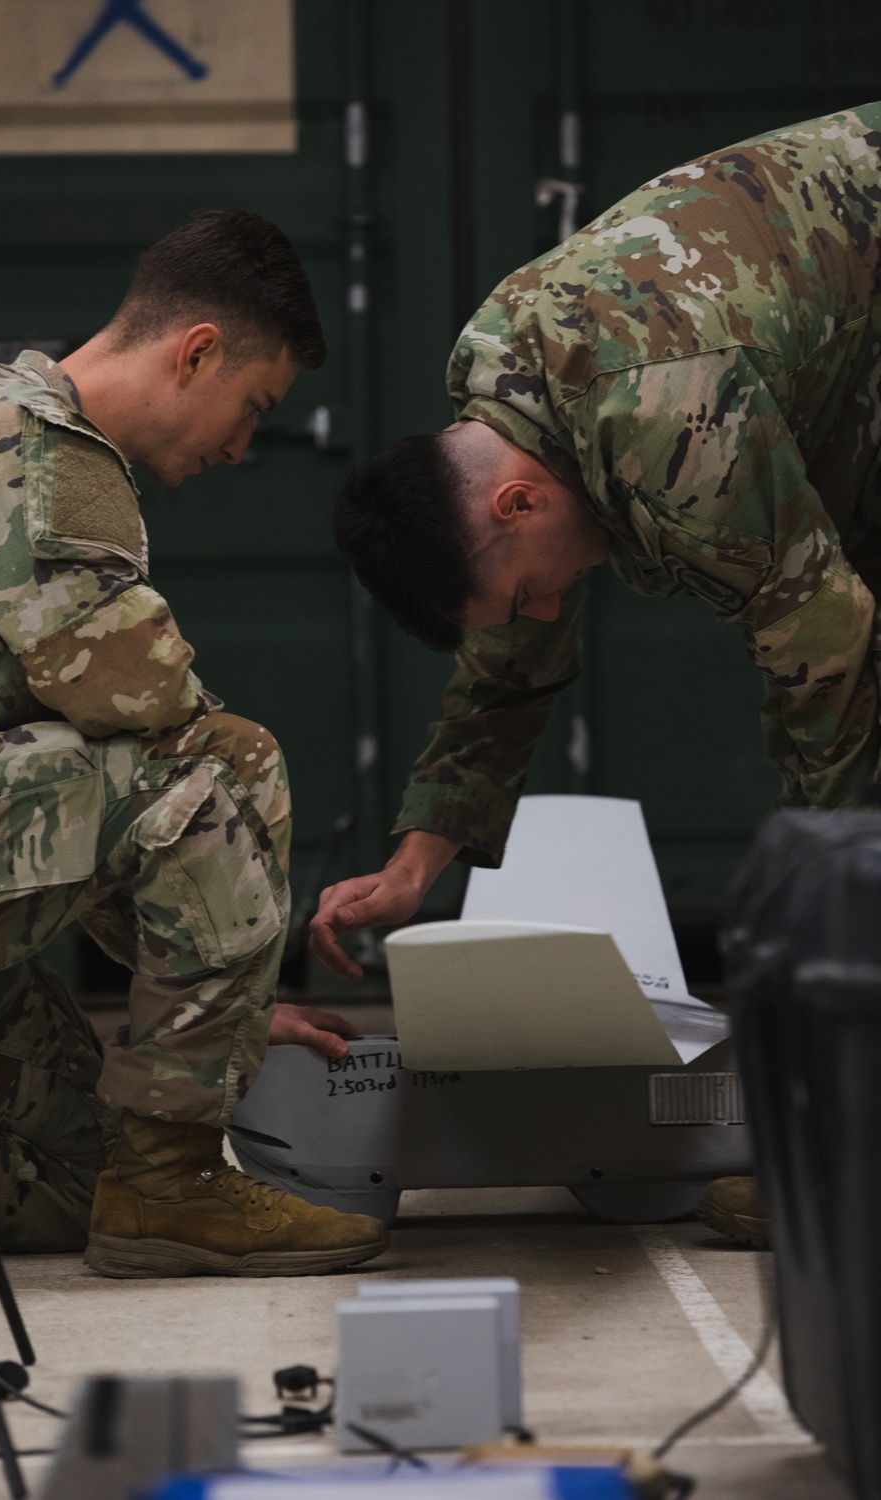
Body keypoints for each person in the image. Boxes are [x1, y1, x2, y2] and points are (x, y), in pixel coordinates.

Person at [311, 102, 881, 1250]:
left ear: (514, 504)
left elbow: (828, 662)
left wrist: (814, 918)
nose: (547, 611)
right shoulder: (496, 385)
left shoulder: (672, 435)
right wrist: (419, 856)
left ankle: (837, 1147)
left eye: (527, 588)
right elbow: (506, 660)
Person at [0, 208, 387, 1276]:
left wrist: (220, 990)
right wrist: (231, 937)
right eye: (252, 407)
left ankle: (103, 1175)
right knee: (226, 764)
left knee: (86, 1192)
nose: (244, 447)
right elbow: (132, 694)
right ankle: (180, 1182)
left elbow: (77, 801)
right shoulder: (7, 429)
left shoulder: (31, 442)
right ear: (196, 350)